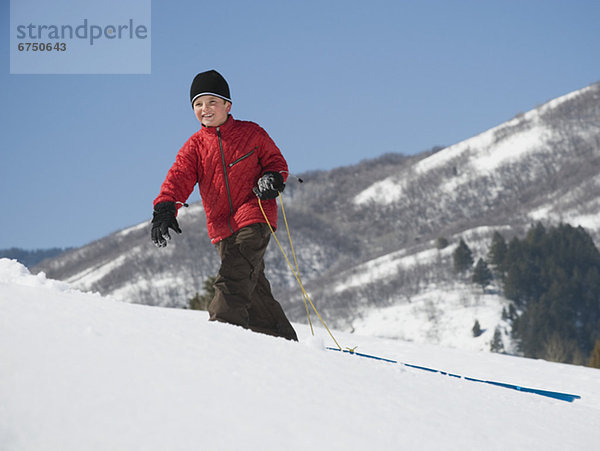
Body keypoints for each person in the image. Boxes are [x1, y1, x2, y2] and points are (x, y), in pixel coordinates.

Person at [151, 70, 298, 341]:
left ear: (227, 105)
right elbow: (178, 178)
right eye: (198, 104)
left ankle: (222, 333)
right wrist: (164, 208)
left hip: (255, 214)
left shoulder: (251, 133)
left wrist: (273, 178)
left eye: (211, 102)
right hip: (221, 227)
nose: (204, 109)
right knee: (253, 288)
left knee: (233, 276)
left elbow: (276, 162)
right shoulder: (194, 147)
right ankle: (281, 338)